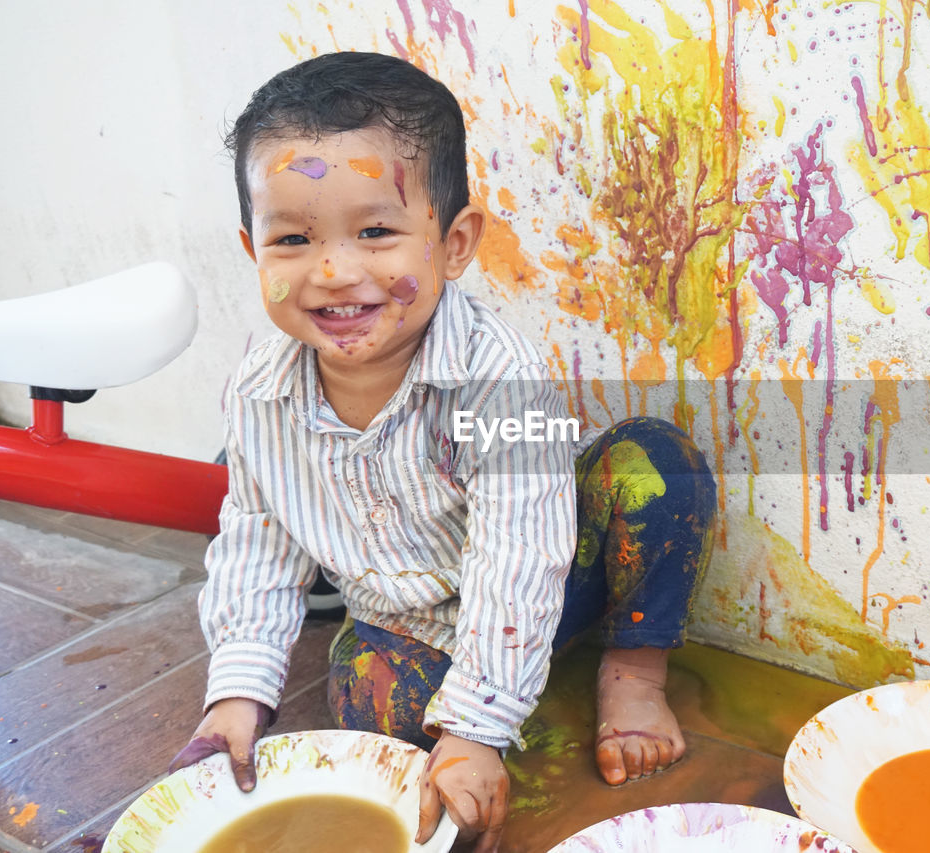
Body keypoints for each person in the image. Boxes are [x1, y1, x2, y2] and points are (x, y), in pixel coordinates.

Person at [169, 51, 716, 852]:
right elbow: (258, 544)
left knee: (655, 464)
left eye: (377, 232)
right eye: (292, 238)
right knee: (360, 691)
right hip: (416, 628)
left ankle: (631, 671)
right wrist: (237, 697)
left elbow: (521, 555)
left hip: (557, 578)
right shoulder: (259, 391)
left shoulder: (503, 376)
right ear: (254, 251)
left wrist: (477, 730)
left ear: (454, 244)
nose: (334, 271)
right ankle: (474, 700)